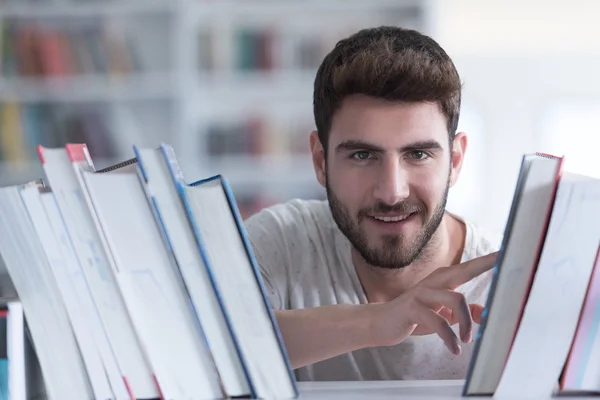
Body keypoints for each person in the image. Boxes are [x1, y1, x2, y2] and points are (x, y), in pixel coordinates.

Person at [244, 25, 502, 381]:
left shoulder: (505, 289)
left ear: (455, 161)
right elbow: (201, 348)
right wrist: (378, 322)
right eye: (363, 155)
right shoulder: (281, 242)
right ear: (321, 161)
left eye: (418, 154)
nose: (391, 192)